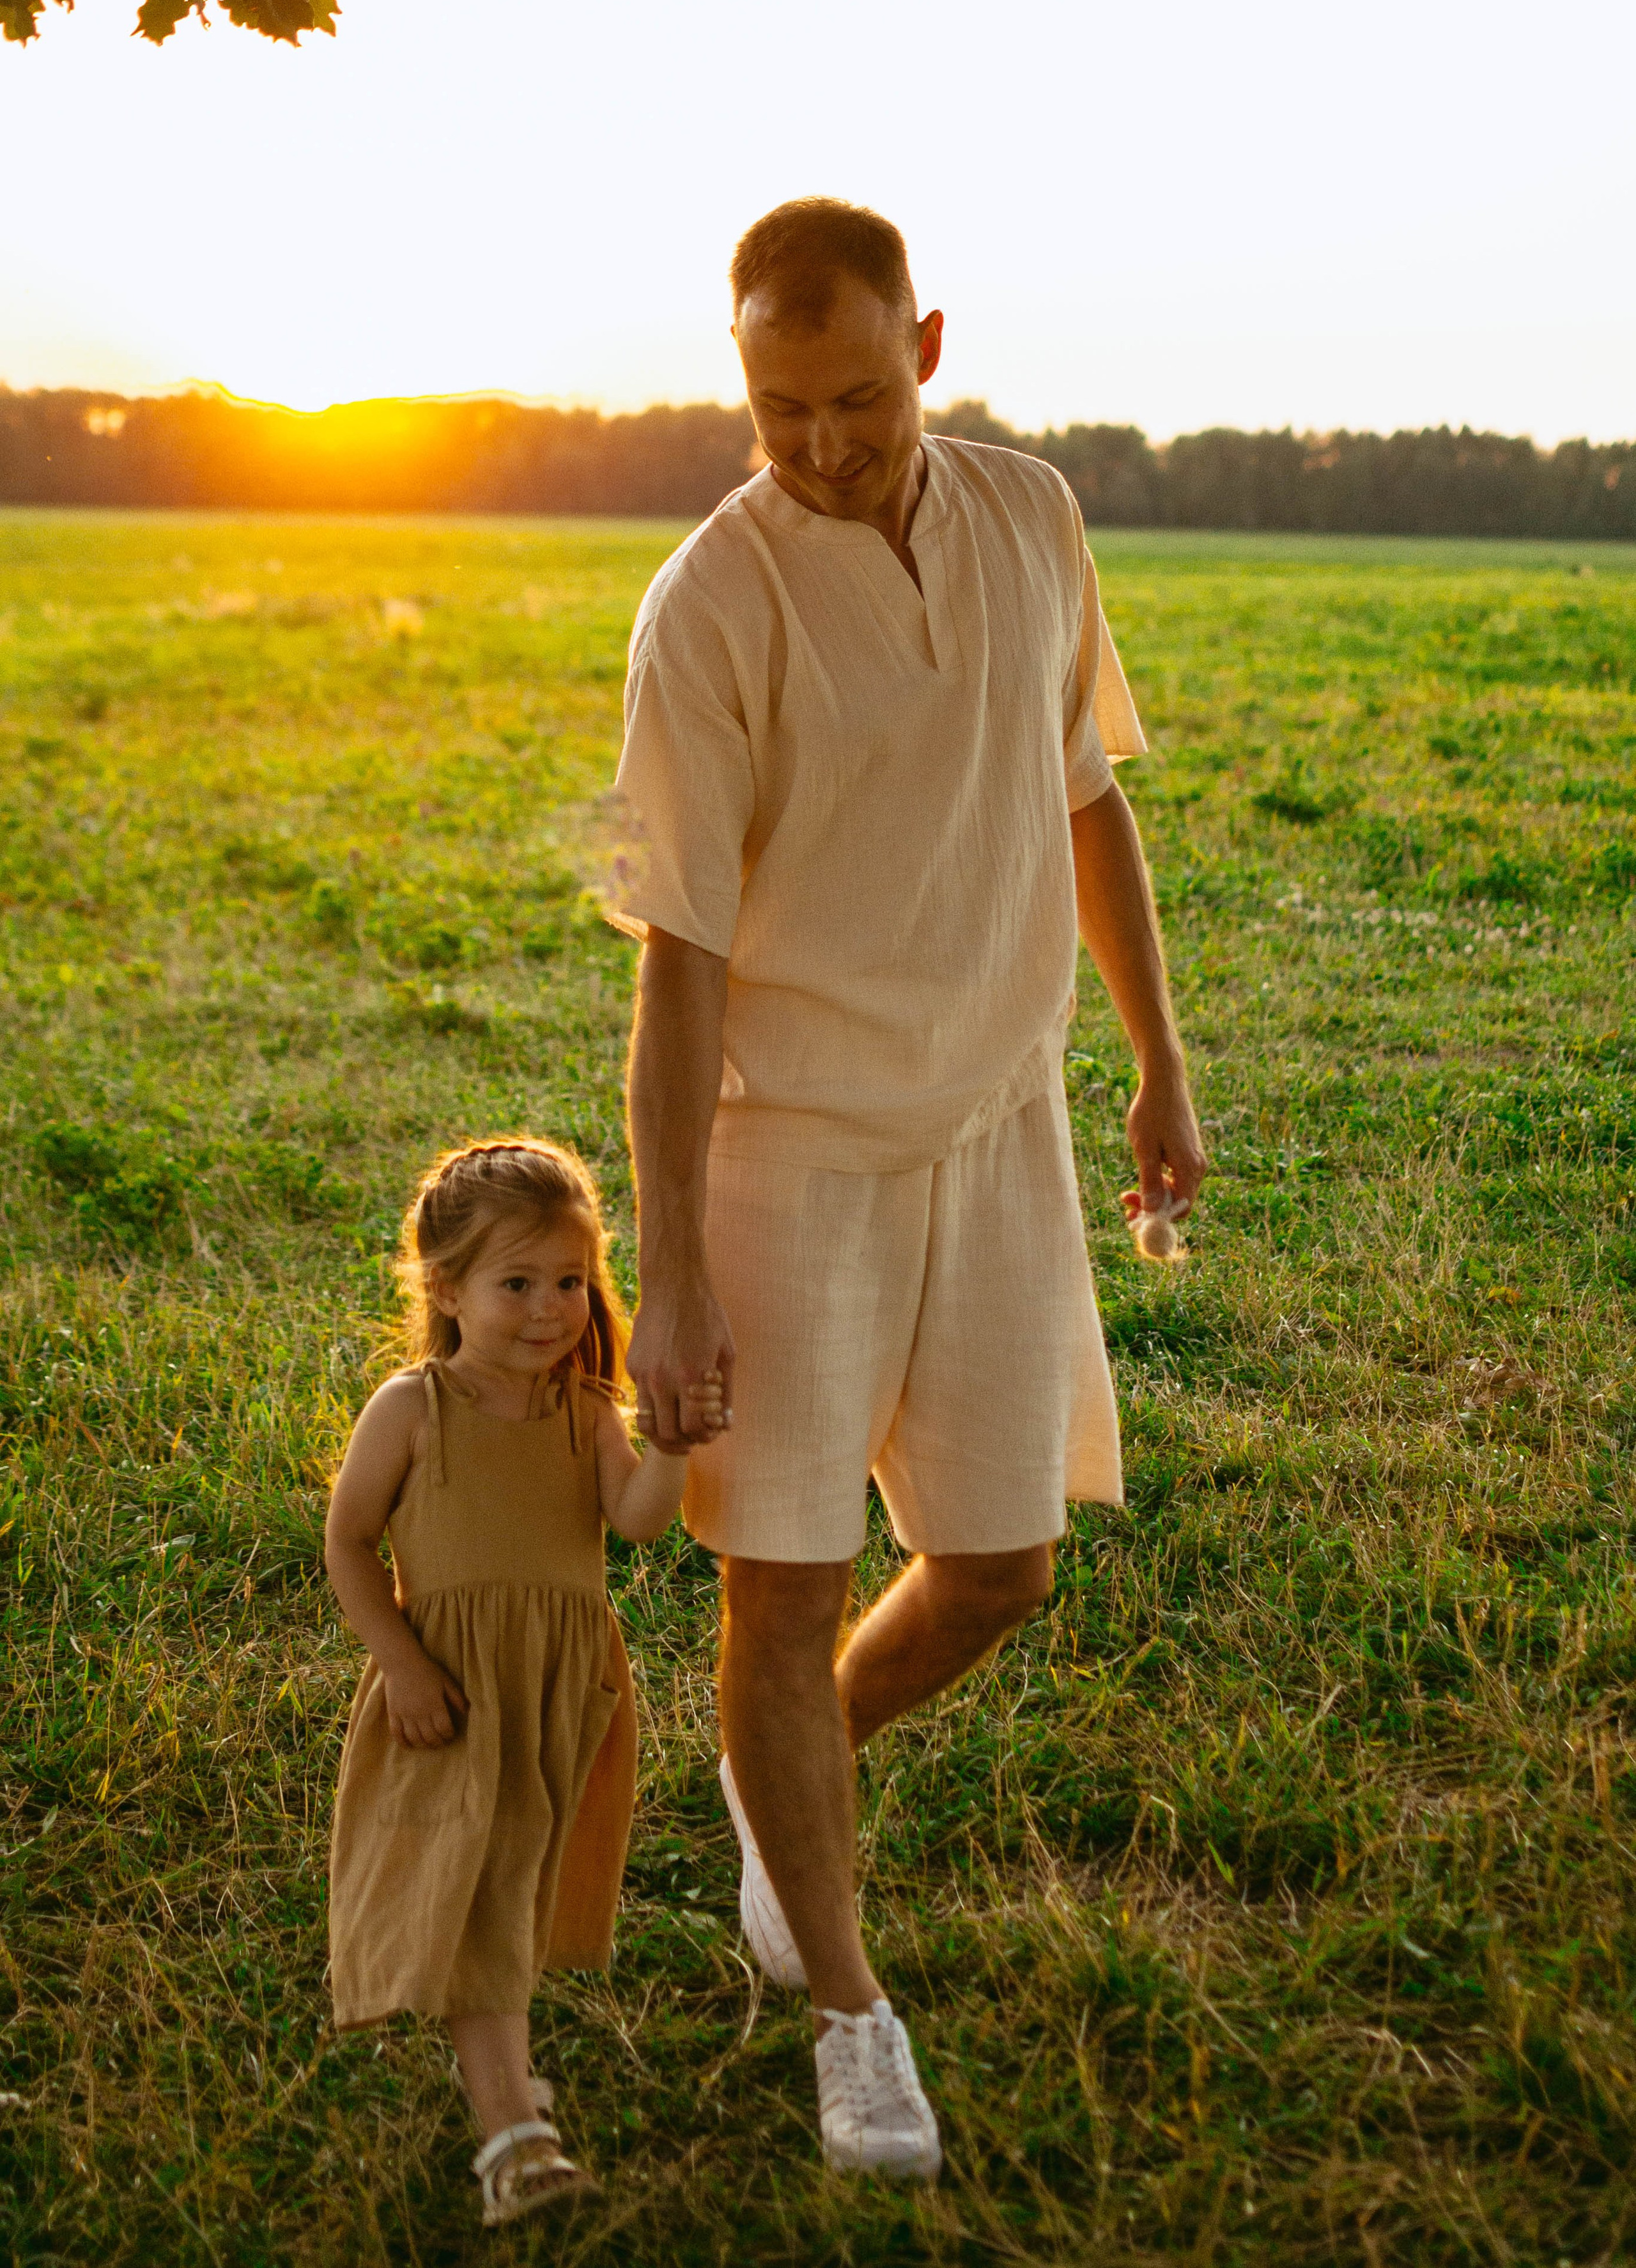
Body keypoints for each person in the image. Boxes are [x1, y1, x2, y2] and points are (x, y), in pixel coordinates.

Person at [615, 197, 1208, 2181]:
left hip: (1000, 1127)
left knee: (1000, 1566)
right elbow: (678, 961)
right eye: (778, 407)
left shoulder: (1034, 518)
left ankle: (777, 1782)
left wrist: (1158, 1057)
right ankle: (849, 2015)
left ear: (927, 346)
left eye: (858, 398)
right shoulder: (708, 604)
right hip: (791, 1157)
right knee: (783, 1595)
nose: (821, 444)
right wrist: (672, 1266)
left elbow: (1087, 799)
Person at [324, 1138, 715, 2226]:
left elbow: (638, 1522)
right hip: (453, 1693)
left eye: (570, 1281)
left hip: (558, 1689)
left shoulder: (585, 1408)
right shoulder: (412, 1408)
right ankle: (514, 2136)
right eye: (517, 1283)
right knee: (480, 1887)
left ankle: (506, 2085)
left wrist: (672, 1444)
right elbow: (348, 1542)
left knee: (516, 1883)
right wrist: (401, 1663)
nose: (550, 1308)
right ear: (446, 1289)